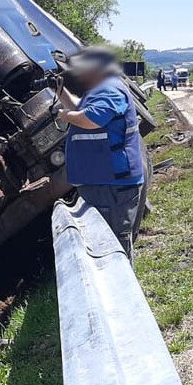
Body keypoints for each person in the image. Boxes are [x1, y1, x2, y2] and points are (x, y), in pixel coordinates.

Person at [56, 47, 147, 259]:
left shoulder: (109, 89)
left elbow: (92, 118)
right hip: (102, 181)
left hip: (112, 184)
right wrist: (59, 91)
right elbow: (80, 109)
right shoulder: (99, 89)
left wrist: (63, 115)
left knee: (112, 243)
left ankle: (122, 280)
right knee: (103, 240)